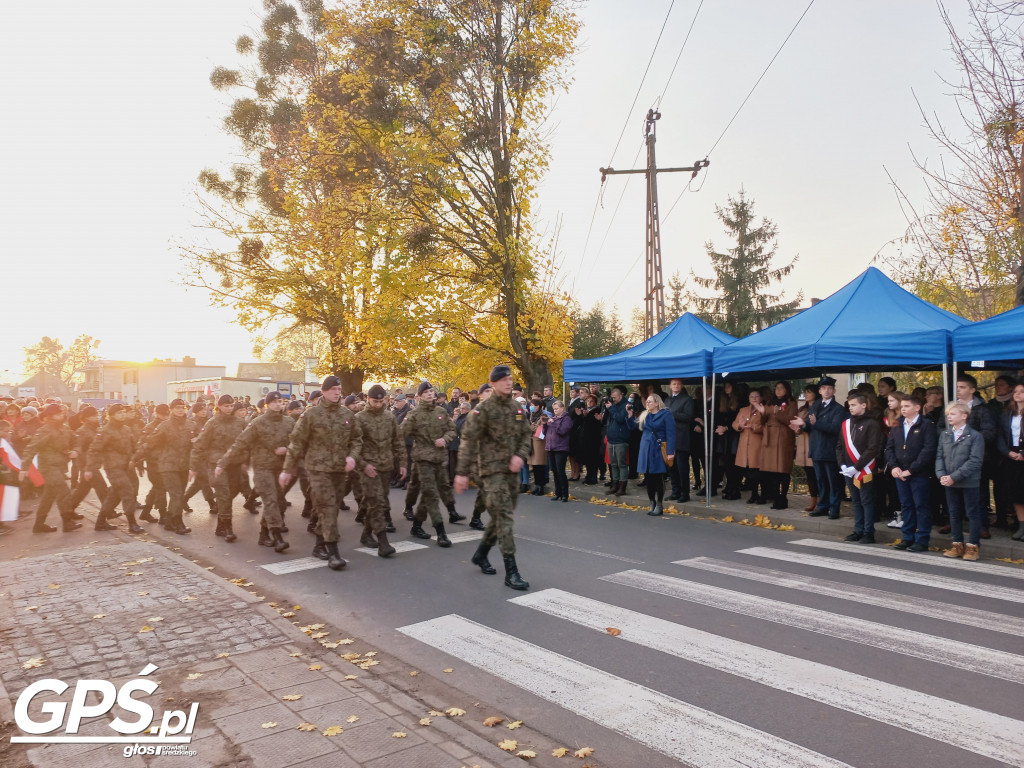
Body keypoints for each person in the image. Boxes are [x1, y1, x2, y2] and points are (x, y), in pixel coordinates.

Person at [454, 364, 533, 590]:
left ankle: (480, 554)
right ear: (493, 384)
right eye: (504, 379)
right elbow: (467, 441)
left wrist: (520, 455)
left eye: (510, 378)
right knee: (505, 518)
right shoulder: (482, 410)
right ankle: (512, 572)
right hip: (491, 473)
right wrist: (461, 472)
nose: (509, 382)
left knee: (499, 518)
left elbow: (525, 435)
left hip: (511, 473)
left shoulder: (517, 408)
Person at [281, 375, 362, 571]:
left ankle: (319, 546)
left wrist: (352, 456)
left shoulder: (347, 415)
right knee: (329, 507)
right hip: (317, 469)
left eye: (339, 389)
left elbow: (357, 439)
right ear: (324, 392)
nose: (337, 392)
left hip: (338, 470)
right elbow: (297, 442)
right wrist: (287, 469)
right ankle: (333, 552)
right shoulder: (311, 415)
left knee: (324, 508)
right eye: (333, 389)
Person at [218, 390, 294, 552]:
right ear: (266, 405)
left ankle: (264, 533)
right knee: (271, 500)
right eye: (274, 402)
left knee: (280, 503)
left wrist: (287, 450)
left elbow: (298, 442)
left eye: (280, 402)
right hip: (262, 468)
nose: (278, 404)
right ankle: (277, 537)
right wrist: (222, 463)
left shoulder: (288, 422)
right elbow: (240, 443)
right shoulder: (257, 423)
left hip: (280, 468)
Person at [402, 381, 462, 546]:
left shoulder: (441, 411)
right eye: (426, 392)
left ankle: (416, 526)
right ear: (420, 396)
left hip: (439, 458)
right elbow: (401, 433)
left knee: (432, 493)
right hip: (423, 460)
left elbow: (452, 430)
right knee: (431, 494)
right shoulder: (414, 415)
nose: (430, 394)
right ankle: (441, 532)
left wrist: (445, 439)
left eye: (431, 391)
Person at [354, 384, 404, 557]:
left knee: (375, 501)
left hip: (386, 466)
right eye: (375, 401)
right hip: (368, 468)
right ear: (368, 399)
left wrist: (403, 463)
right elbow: (353, 445)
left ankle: (366, 534)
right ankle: (383, 542)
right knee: (378, 503)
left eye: (381, 401)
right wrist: (363, 465)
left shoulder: (389, 417)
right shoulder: (359, 418)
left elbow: (397, 441)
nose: (378, 404)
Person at [885, 394, 938, 552]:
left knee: (921, 506)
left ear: (917, 407)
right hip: (900, 472)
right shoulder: (897, 423)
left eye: (907, 406)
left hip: (919, 473)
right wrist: (894, 467)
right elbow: (889, 447)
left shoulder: (926, 425)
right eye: (902, 407)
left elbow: (928, 450)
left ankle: (922, 539)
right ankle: (907, 537)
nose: (903, 409)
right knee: (906, 505)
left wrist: (911, 469)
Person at [134, 399, 195, 536]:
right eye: (177, 407)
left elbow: (199, 442)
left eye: (183, 407)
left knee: (177, 495)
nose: (180, 410)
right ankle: (177, 522)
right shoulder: (165, 426)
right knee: (176, 495)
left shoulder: (191, 425)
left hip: (184, 465)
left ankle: (168, 521)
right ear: (172, 409)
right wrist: (136, 458)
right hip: (168, 465)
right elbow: (149, 442)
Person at [22, 403, 83, 533]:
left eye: (62, 413)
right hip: (48, 467)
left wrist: (76, 450)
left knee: (48, 496)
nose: (61, 416)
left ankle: (39, 524)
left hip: (59, 466)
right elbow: (32, 448)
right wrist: (24, 467)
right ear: (50, 416)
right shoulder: (45, 430)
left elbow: (76, 440)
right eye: (58, 414)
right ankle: (67, 522)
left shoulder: (65, 429)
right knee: (64, 492)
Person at [191, 395, 246, 542]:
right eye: (226, 406)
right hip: (216, 465)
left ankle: (221, 524)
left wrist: (247, 459)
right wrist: (193, 467)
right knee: (224, 494)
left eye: (231, 405)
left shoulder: (240, 423)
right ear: (219, 406)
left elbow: (247, 441)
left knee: (233, 492)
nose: (229, 408)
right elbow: (199, 445)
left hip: (234, 463)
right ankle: (228, 528)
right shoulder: (212, 423)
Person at [791, 376, 846, 519]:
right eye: (824, 388)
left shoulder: (838, 409)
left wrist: (816, 424)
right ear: (820, 391)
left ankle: (834, 509)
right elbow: (810, 426)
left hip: (830, 450)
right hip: (816, 449)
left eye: (829, 388)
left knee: (833, 482)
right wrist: (803, 425)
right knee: (821, 481)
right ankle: (822, 506)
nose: (826, 391)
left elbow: (835, 428)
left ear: (833, 390)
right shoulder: (815, 406)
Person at [937, 402, 986, 561]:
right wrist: (942, 475)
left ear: (964, 416)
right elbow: (939, 457)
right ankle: (957, 544)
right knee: (954, 513)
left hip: (968, 481)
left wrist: (954, 476)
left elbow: (975, 461)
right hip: (949, 481)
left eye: (953, 414)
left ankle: (973, 546)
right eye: (948, 414)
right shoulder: (945, 434)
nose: (949, 416)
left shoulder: (975, 436)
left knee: (972, 512)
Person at [85, 403, 142, 533]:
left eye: (123, 412)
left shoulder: (126, 429)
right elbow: (94, 450)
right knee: (128, 491)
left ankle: (100, 522)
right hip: (113, 467)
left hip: (125, 467)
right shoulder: (105, 431)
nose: (122, 415)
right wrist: (88, 468)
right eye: (119, 413)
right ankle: (132, 523)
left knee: (114, 496)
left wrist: (136, 459)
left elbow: (133, 447)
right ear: (111, 416)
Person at [836, 393, 883, 543]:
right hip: (849, 470)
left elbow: (873, 448)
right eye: (849, 405)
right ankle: (858, 530)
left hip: (864, 469)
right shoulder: (846, 424)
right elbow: (839, 446)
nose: (851, 408)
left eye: (854, 405)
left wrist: (857, 467)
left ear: (863, 405)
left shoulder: (872, 423)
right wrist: (842, 464)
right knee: (855, 501)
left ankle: (869, 532)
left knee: (866, 501)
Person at [632, 393, 675, 516]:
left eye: (650, 401)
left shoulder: (666, 414)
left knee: (658, 478)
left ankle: (659, 504)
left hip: (658, 449)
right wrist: (629, 415)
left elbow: (671, 434)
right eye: (647, 401)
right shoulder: (645, 414)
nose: (647, 403)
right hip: (645, 449)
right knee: (648, 478)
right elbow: (632, 427)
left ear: (657, 403)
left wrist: (670, 452)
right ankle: (652, 502)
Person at [759, 381, 797, 510]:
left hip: (783, 438)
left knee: (783, 470)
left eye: (781, 388)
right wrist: (763, 412)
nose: (778, 390)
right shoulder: (770, 402)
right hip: (770, 438)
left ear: (787, 389)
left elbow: (791, 420)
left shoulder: (792, 403)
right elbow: (762, 421)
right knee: (771, 471)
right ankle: (776, 497)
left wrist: (777, 414)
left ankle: (783, 497)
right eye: (776, 388)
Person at [997, 381, 1024, 541]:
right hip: (1011, 457)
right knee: (1016, 494)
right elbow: (1000, 435)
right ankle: (1021, 526)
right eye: (1016, 391)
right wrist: (1007, 452)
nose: (1018, 394)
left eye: (1022, 391)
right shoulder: (1008, 413)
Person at [69, 405, 108, 512]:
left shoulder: (95, 429)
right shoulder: (83, 431)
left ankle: (68, 510)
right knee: (101, 486)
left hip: (93, 463)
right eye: (93, 416)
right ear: (86, 418)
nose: (96, 417)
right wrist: (86, 467)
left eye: (97, 414)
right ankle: (108, 511)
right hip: (87, 464)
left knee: (83, 489)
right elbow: (79, 447)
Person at [664, 380, 694, 502]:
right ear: (670, 386)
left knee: (682, 468)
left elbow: (689, 417)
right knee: (672, 468)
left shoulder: (687, 400)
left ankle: (685, 493)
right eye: (674, 384)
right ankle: (675, 492)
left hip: (681, 438)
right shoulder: (667, 400)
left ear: (681, 386)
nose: (676, 386)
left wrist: (672, 414)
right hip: (669, 438)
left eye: (678, 384)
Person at [732, 390, 764, 503]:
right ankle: (751, 493)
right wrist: (739, 426)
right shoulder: (743, 410)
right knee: (746, 471)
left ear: (761, 398)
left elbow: (766, 427)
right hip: (744, 445)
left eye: (757, 396)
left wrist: (753, 426)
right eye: (751, 396)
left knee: (756, 471)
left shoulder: (763, 410)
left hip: (757, 444)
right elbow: (734, 424)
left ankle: (757, 494)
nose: (754, 398)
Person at [603, 385, 633, 496]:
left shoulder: (626, 405)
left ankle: (622, 487)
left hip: (621, 439)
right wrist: (606, 408)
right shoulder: (612, 405)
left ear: (621, 395)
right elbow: (605, 420)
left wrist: (611, 408)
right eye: (612, 397)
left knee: (622, 464)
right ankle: (614, 485)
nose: (613, 399)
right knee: (613, 464)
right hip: (611, 439)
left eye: (615, 397)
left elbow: (620, 418)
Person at [794, 384, 819, 511]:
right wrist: (796, 429)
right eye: (805, 392)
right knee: (809, 473)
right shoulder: (803, 408)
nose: (806, 394)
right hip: (803, 443)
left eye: (809, 392)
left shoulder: (818, 407)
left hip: (814, 442)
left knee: (817, 473)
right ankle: (812, 499)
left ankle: (820, 500)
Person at [545, 400, 572, 502]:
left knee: (561, 471)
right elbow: (546, 432)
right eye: (554, 409)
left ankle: (565, 494)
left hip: (561, 448)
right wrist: (545, 424)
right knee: (555, 471)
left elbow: (562, 431)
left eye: (557, 409)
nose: (555, 411)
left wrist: (554, 423)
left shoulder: (566, 419)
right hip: (551, 447)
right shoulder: (553, 418)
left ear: (562, 408)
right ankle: (558, 493)